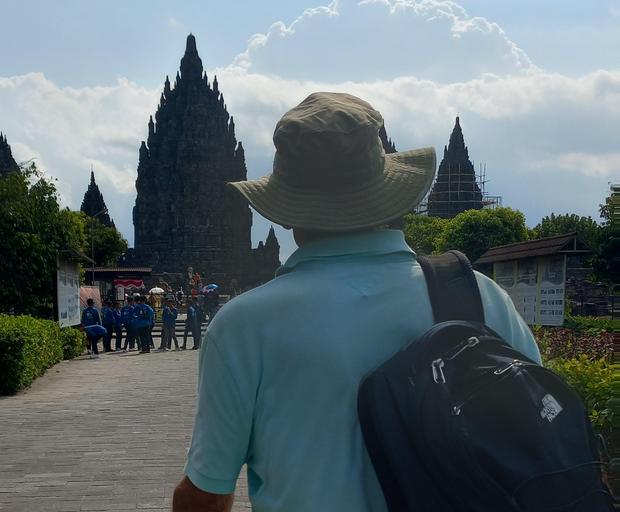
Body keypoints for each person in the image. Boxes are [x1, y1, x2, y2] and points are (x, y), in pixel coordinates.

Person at [172, 92, 542, 511]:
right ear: (388, 193)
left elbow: (207, 493)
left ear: (286, 211)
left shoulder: (242, 326)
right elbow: (541, 442)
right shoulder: (484, 299)